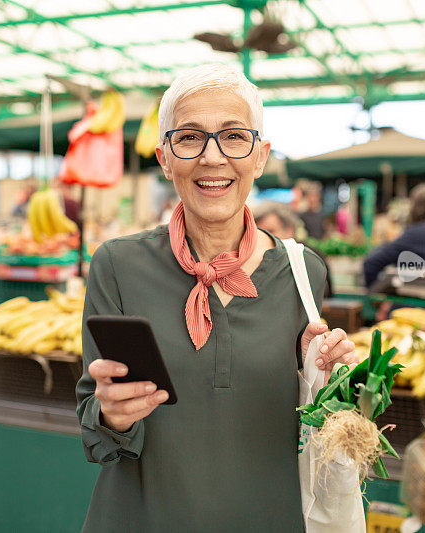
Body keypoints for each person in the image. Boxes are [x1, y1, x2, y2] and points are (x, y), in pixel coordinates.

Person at [75, 65, 358, 532]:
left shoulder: (304, 272)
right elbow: (97, 436)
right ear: (166, 158)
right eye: (189, 138)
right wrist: (112, 415)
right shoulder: (117, 265)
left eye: (233, 137)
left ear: (260, 156)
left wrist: (331, 378)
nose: (212, 158)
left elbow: (313, 419)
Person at [254, 201, 333, 298]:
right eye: (259, 233)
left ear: (290, 230)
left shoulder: (309, 258)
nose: (263, 238)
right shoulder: (253, 262)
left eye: (270, 231)